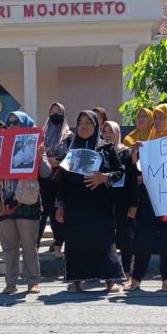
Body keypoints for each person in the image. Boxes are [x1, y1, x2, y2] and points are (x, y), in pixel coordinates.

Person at [55, 110, 125, 293]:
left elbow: (120, 171)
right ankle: (76, 280)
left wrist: (104, 177)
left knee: (103, 241)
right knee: (76, 242)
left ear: (96, 126)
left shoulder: (106, 148)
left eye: (88, 122)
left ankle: (110, 280)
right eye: (80, 123)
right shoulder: (71, 151)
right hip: (75, 207)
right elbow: (63, 181)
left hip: (100, 206)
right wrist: (60, 205)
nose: (84, 126)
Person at [129, 103, 167, 292]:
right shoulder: (150, 142)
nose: (158, 122)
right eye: (156, 118)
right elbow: (138, 170)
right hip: (149, 200)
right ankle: (136, 278)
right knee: (143, 239)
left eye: (162, 118)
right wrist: (135, 153)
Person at [0, 111, 51, 294]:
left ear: (26, 124)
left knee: (29, 245)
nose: (12, 125)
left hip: (27, 202)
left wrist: (40, 156)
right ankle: (10, 282)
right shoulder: (0, 144)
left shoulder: (35, 145)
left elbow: (46, 172)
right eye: (9, 122)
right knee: (8, 245)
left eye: (16, 122)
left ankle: (33, 281)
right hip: (5, 202)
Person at [102, 120, 138, 282]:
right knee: (106, 238)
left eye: (111, 131)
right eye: (105, 132)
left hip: (123, 201)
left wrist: (134, 204)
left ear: (117, 133)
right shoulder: (100, 153)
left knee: (125, 239)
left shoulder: (127, 153)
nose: (107, 135)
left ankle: (127, 271)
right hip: (105, 202)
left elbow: (132, 180)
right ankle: (108, 272)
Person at [38, 102, 73, 257]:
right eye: (52, 112)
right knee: (40, 213)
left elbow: (69, 155)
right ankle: (34, 246)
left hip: (59, 180)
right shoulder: (42, 135)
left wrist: (55, 162)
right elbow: (37, 153)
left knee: (57, 213)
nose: (54, 114)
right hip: (42, 180)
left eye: (58, 112)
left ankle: (58, 243)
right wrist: (47, 161)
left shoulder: (68, 136)